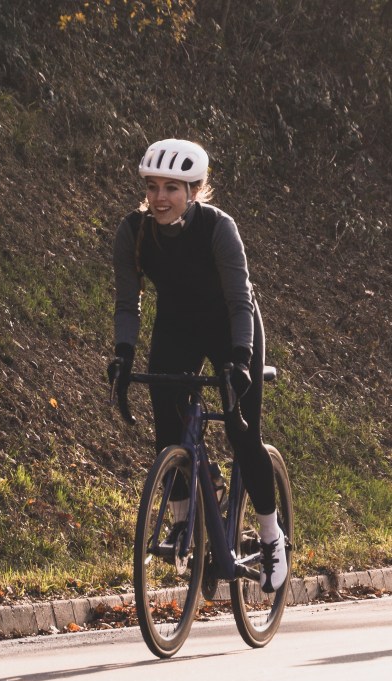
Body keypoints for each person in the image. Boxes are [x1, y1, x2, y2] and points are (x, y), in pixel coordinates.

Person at [108, 138, 287, 593]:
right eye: (152, 187)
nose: (160, 197)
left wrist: (242, 359)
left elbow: (239, 302)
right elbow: (128, 305)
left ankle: (271, 537)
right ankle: (184, 522)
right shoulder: (134, 232)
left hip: (230, 324)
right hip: (177, 324)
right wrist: (123, 355)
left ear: (194, 189)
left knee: (242, 431)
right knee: (167, 425)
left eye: (172, 187)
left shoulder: (218, 228)